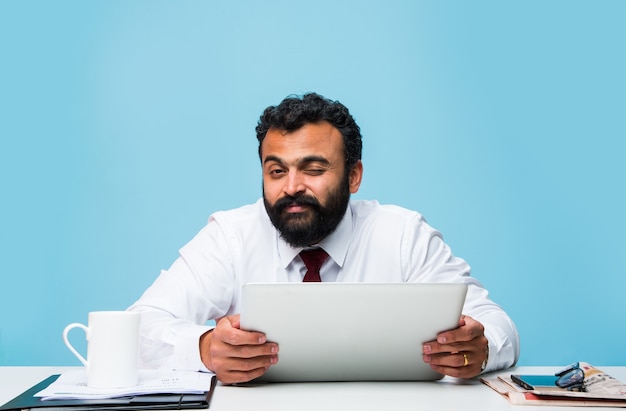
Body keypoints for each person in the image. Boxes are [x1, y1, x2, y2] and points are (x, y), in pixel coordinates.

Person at [128, 92, 520, 384]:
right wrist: (204, 348)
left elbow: (496, 323)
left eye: (313, 168)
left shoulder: (403, 235)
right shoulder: (230, 237)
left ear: (354, 176)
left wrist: (480, 349)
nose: (292, 187)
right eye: (277, 171)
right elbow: (137, 327)